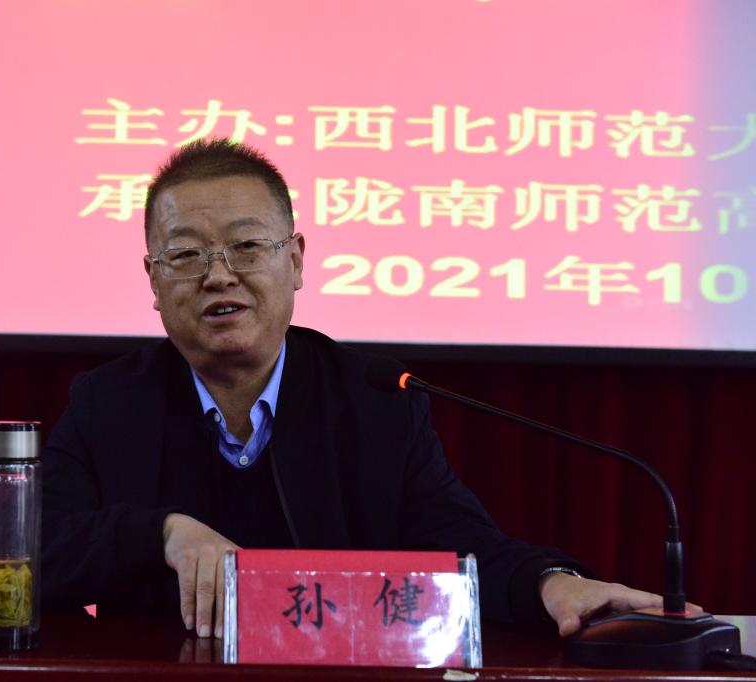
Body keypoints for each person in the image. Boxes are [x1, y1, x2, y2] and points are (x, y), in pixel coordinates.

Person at [42, 138, 672, 641]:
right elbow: (32, 557)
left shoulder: (374, 401)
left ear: (296, 260)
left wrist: (552, 584)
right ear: (153, 281)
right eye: (185, 256)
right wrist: (161, 534)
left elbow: (464, 551)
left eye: (247, 246)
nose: (219, 275)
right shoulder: (108, 404)